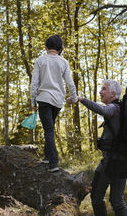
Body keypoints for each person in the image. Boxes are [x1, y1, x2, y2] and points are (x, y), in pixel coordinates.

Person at [69, 80, 127, 216]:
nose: (100, 91)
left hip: (112, 162)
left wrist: (81, 99)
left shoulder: (114, 108)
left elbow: (102, 110)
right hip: (124, 160)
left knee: (97, 196)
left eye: (104, 89)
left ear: (113, 93)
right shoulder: (121, 109)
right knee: (117, 200)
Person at [30, 34, 78, 172]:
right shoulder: (63, 62)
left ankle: (54, 162)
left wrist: (33, 100)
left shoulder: (40, 60)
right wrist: (74, 99)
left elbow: (34, 83)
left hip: (44, 99)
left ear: (46, 47)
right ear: (60, 48)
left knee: (49, 130)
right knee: (49, 128)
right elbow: (70, 83)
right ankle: (46, 157)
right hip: (57, 101)